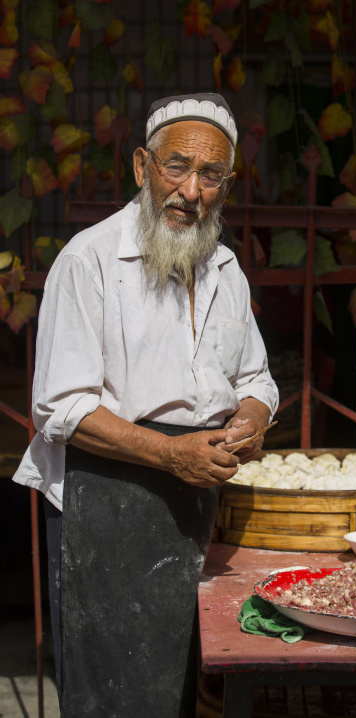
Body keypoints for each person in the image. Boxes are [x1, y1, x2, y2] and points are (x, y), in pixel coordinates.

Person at [12, 92, 278, 717]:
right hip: (105, 498)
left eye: (210, 174)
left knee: (182, 687)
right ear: (141, 167)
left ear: (227, 183)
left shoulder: (226, 270)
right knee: (115, 695)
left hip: (196, 495)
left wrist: (249, 419)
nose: (192, 190)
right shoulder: (90, 260)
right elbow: (62, 408)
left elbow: (257, 377)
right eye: (176, 167)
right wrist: (171, 453)